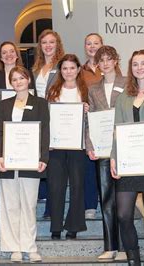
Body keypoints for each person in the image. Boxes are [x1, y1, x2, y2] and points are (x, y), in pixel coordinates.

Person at [110, 49, 144, 266]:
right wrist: (114, 157)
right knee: (124, 215)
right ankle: (133, 260)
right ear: (130, 68)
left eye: (143, 63)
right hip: (128, 164)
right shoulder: (124, 97)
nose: (139, 67)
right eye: (135, 64)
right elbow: (117, 129)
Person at [0, 66, 49, 262]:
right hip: (7, 162)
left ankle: (30, 246)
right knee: (10, 205)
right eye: (14, 79)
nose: (18, 82)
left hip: (31, 161)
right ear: (11, 83)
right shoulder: (4, 105)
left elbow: (45, 132)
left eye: (21, 78)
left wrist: (43, 158)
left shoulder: (41, 104)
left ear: (28, 80)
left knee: (28, 205)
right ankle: (14, 247)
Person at [84, 45, 126, 261]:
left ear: (116, 60)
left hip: (126, 149)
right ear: (97, 64)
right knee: (106, 199)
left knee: (125, 199)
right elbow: (90, 121)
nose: (106, 63)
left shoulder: (128, 83)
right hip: (102, 150)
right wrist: (89, 145)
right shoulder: (93, 89)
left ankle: (128, 246)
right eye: (102, 60)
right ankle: (110, 247)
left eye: (110, 58)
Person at [46, 54, 88, 240]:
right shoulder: (53, 91)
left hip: (78, 146)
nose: (68, 71)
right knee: (56, 186)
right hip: (56, 146)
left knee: (78, 185)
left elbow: (93, 118)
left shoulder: (86, 91)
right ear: (60, 71)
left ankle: (74, 226)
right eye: (65, 68)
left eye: (72, 68)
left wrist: (88, 110)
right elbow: (47, 117)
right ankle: (56, 226)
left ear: (78, 69)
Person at [31, 29, 65, 219]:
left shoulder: (63, 66)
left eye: (52, 42)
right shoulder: (36, 68)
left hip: (57, 118)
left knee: (54, 165)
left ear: (57, 44)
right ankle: (42, 195)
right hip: (38, 117)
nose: (48, 46)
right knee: (41, 157)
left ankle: (52, 208)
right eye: (44, 42)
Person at [82, 33, 103, 220]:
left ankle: (107, 203)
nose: (92, 46)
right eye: (89, 43)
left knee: (105, 165)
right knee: (89, 165)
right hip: (88, 123)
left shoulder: (112, 68)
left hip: (106, 124)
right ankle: (90, 205)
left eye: (96, 43)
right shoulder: (80, 71)